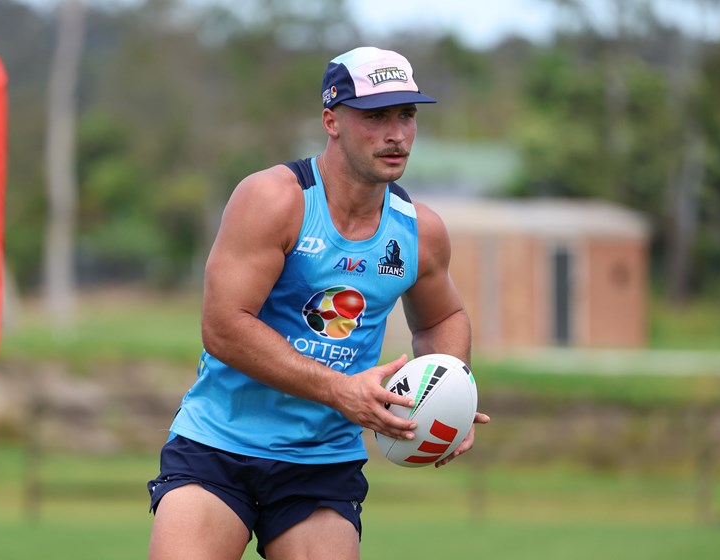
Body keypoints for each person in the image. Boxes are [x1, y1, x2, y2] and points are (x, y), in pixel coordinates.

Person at [146, 46, 490, 560]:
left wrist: (450, 393)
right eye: (375, 116)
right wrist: (339, 390)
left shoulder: (421, 231)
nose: (396, 134)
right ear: (331, 121)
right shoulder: (273, 200)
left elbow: (444, 317)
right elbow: (223, 327)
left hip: (323, 462)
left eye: (406, 115)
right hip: (219, 445)